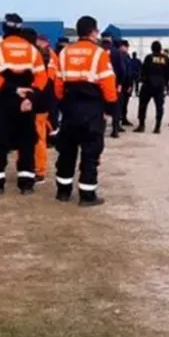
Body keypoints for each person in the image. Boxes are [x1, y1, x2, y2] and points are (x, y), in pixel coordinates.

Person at [0, 15, 48, 195]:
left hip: (5, 100)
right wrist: (30, 96)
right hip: (27, 103)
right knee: (27, 142)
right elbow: (42, 77)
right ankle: (26, 184)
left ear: (4, 29)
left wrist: (13, 89)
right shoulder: (32, 50)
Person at [54, 15, 118, 206]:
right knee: (90, 152)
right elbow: (108, 83)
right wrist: (111, 107)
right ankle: (87, 195)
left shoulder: (64, 52)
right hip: (92, 109)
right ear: (93, 32)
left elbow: (58, 83)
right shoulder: (99, 53)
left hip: (70, 108)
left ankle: (63, 192)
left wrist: (63, 103)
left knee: (66, 151)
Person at [29, 34, 60, 183]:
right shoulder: (52, 56)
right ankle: (36, 168)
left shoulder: (37, 58)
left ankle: (38, 170)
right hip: (46, 101)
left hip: (38, 102)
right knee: (39, 136)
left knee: (36, 138)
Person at [134, 41, 169, 134]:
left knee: (143, 105)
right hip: (160, 86)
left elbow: (143, 71)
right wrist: (166, 85)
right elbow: (168, 73)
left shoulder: (149, 57)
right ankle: (157, 127)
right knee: (159, 107)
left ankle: (141, 125)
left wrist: (142, 80)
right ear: (160, 48)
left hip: (148, 85)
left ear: (152, 48)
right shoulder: (165, 58)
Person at [118, 41, 136, 127]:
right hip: (122, 83)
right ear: (121, 46)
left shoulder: (127, 56)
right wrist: (128, 84)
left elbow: (129, 70)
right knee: (120, 103)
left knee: (125, 102)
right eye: (126, 46)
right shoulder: (119, 56)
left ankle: (124, 118)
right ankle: (118, 122)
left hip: (127, 83)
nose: (127, 48)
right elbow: (124, 71)